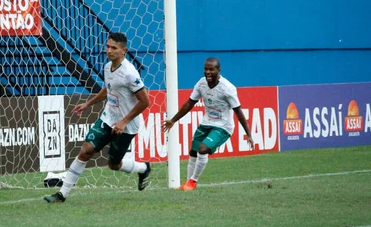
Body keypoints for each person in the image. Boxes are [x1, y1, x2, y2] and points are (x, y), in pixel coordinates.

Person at [44, 32, 151, 203]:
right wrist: (88, 104)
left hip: (126, 125)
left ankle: (143, 168)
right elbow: (108, 89)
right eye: (107, 46)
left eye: (114, 48)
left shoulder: (130, 73)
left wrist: (123, 122)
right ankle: (62, 194)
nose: (109, 51)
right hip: (108, 118)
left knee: (114, 164)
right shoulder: (108, 67)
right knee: (86, 151)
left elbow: (145, 101)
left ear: (124, 50)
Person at [162, 57, 254, 190]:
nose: (208, 72)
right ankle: (188, 183)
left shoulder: (228, 88)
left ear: (219, 70)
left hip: (223, 127)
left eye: (211, 69)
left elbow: (238, 111)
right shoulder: (201, 84)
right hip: (207, 122)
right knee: (193, 152)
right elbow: (189, 103)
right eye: (206, 69)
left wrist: (248, 134)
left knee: (202, 149)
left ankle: (193, 182)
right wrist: (173, 120)